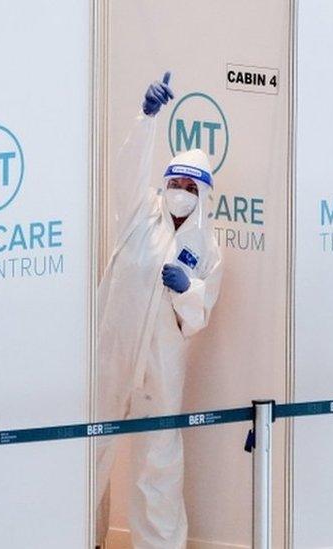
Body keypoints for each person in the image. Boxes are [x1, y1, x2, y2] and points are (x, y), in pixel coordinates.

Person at [94, 71, 223, 549]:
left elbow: (200, 313)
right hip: (114, 351)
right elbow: (128, 169)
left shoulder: (207, 248)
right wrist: (146, 118)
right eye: (176, 182)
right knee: (93, 450)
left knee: (157, 466)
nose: (182, 192)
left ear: (203, 194)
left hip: (160, 370)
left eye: (192, 186)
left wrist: (189, 288)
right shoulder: (139, 213)